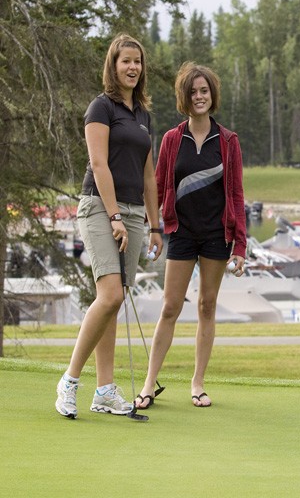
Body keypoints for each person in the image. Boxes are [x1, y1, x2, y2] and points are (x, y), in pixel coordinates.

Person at [56, 34, 164, 419]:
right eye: (125, 62)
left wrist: (155, 226)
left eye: (137, 62)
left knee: (113, 301)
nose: (132, 68)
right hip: (100, 207)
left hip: (136, 213)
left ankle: (104, 390)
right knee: (110, 296)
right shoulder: (100, 108)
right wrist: (114, 216)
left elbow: (149, 176)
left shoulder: (143, 116)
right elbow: (99, 165)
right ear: (113, 66)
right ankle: (70, 381)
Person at [134, 62, 246, 410]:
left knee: (206, 306)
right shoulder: (171, 139)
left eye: (204, 91)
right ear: (184, 96)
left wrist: (240, 245)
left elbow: (238, 196)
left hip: (216, 236)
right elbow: (158, 186)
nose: (199, 97)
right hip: (181, 234)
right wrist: (154, 227)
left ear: (212, 96)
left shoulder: (227, 141)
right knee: (170, 307)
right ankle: (149, 384)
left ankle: (197, 383)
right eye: (193, 91)